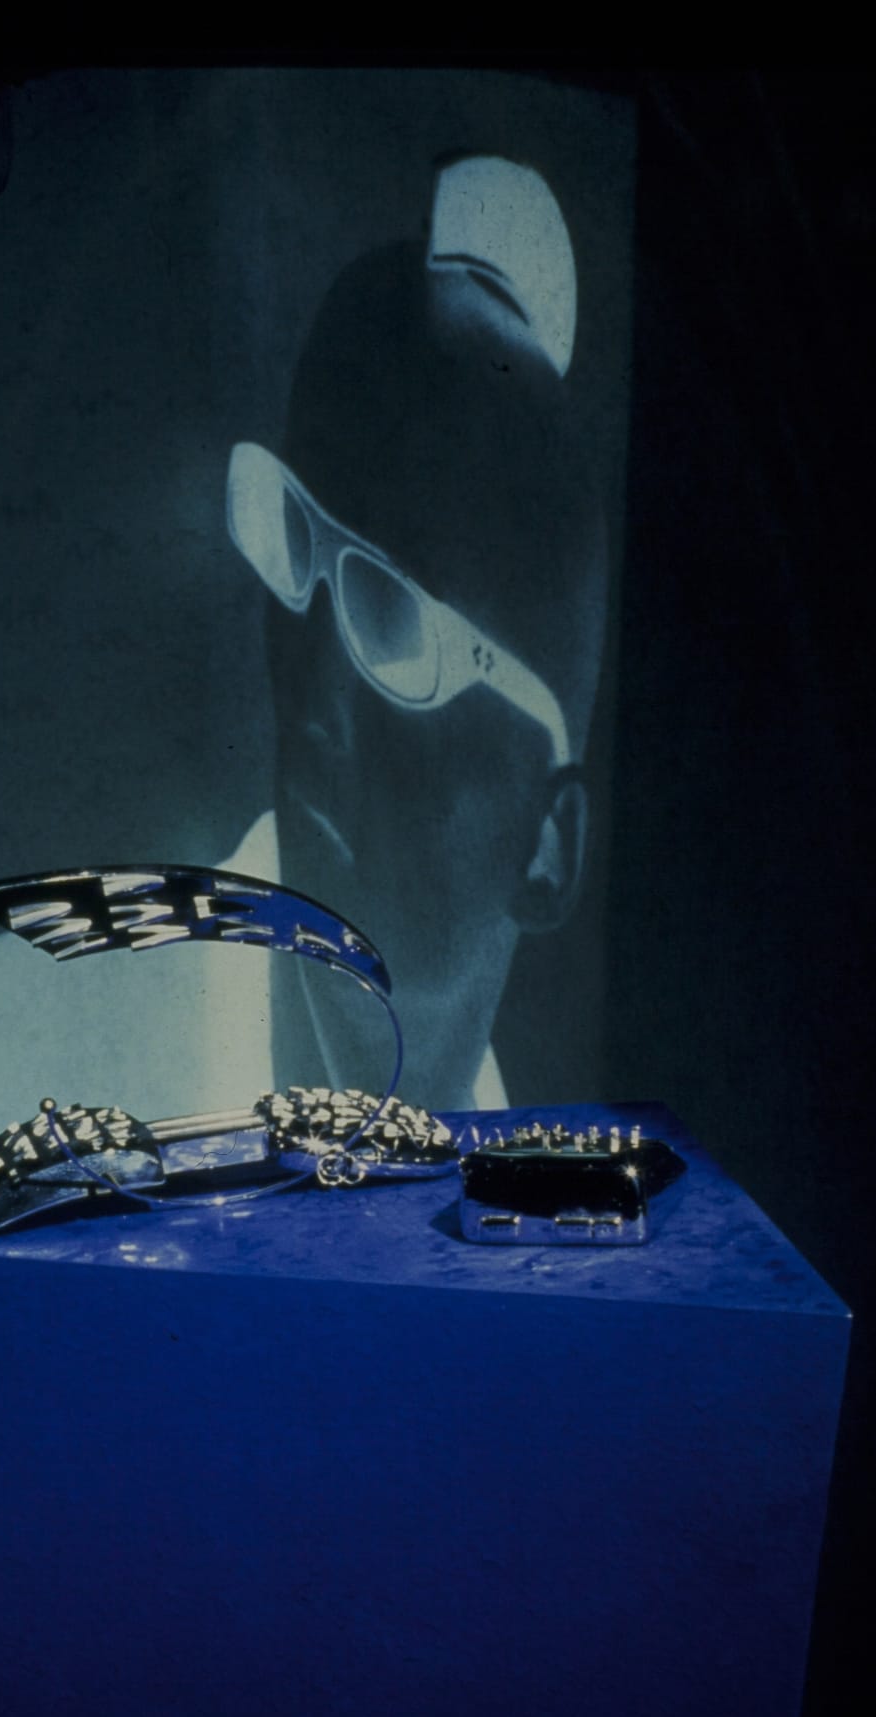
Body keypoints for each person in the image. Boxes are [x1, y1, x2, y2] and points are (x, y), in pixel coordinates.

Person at [226, 156, 609, 1110]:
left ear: (546, 849)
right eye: (295, 544)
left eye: (395, 618)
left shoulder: (576, 1203)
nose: (313, 696)